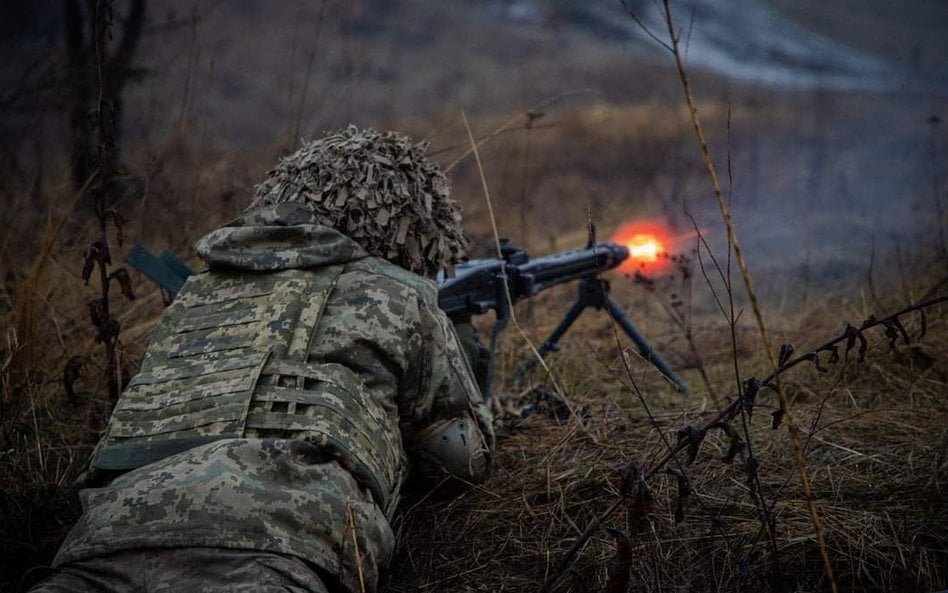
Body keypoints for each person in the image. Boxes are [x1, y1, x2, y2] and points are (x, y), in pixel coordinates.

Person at [31, 126, 494, 593]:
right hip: (278, 543)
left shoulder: (193, 295)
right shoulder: (396, 292)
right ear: (414, 226)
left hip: (106, 537)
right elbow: (458, 460)